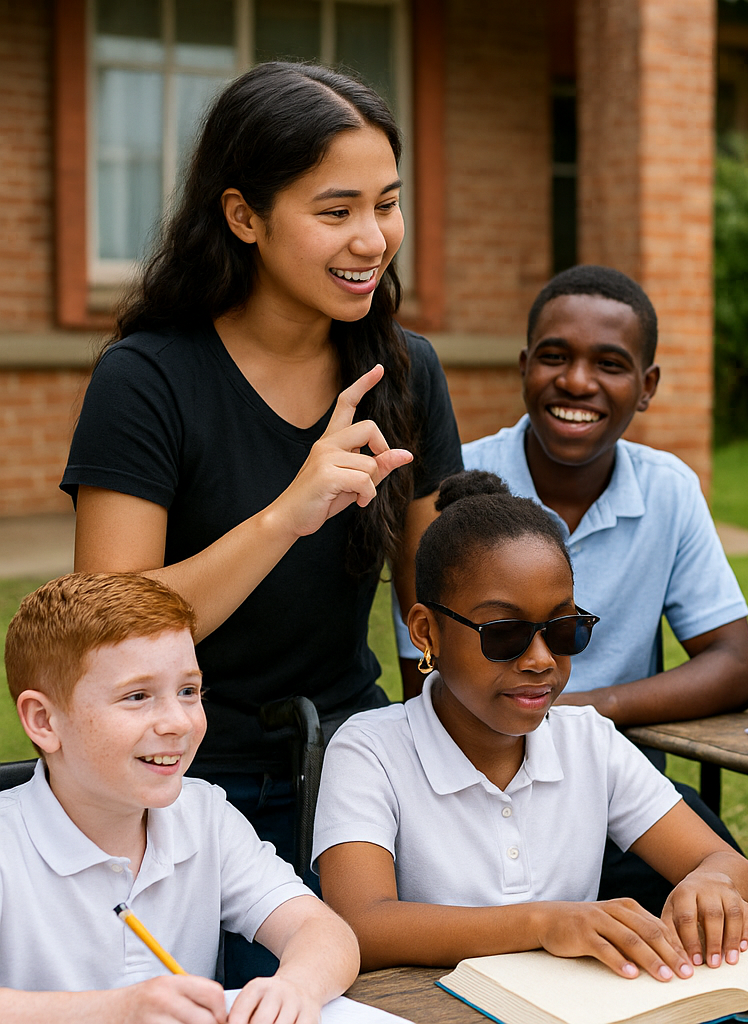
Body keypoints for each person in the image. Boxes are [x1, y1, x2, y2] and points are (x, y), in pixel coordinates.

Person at [60, 63, 462, 983]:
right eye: (336, 211)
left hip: (356, 766)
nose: (373, 239)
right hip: (183, 783)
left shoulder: (407, 371)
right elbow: (105, 630)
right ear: (244, 216)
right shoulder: (148, 379)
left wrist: (438, 751)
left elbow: (432, 607)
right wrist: (289, 512)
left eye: (388, 204)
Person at [390, 264, 748, 911]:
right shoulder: (456, 488)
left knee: (722, 901)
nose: (577, 381)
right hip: (475, 792)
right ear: (524, 365)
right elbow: (425, 676)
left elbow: (732, 664)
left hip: (619, 788)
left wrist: (583, 708)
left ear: (647, 388)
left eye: (609, 364)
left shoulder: (668, 488)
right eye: (555, 357)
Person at [314, 472, 748, 978]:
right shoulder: (369, 751)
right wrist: (544, 923)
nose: (540, 659)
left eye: (562, 629)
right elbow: (360, 925)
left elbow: (735, 868)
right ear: (427, 632)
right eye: (504, 634)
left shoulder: (588, 742)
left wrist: (711, 884)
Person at [0, 573, 359, 1024]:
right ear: (44, 721)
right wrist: (118, 1011)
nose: (178, 722)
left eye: (189, 691)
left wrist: (297, 987)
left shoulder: (205, 815)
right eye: (137, 696)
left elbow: (321, 929)